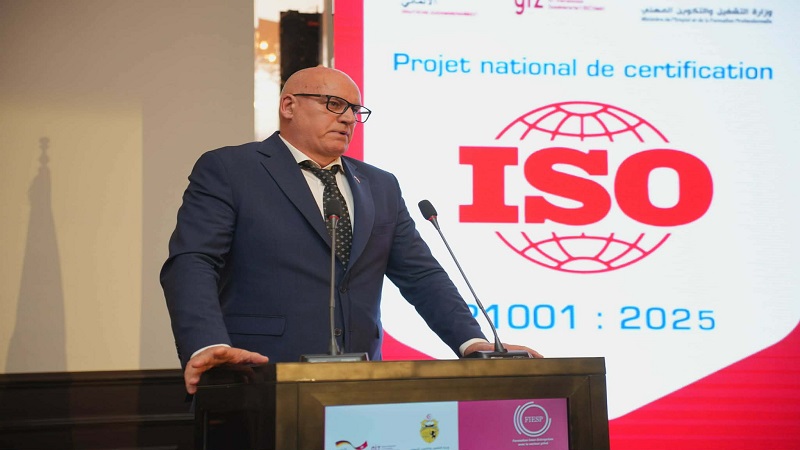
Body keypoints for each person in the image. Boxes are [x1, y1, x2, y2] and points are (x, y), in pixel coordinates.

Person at [161, 66, 542, 395]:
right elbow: (193, 261)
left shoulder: (380, 185)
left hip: (361, 386)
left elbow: (421, 275)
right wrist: (206, 342)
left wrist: (472, 342)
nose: (347, 118)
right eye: (333, 104)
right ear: (288, 105)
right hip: (258, 378)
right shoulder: (232, 169)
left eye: (355, 110)